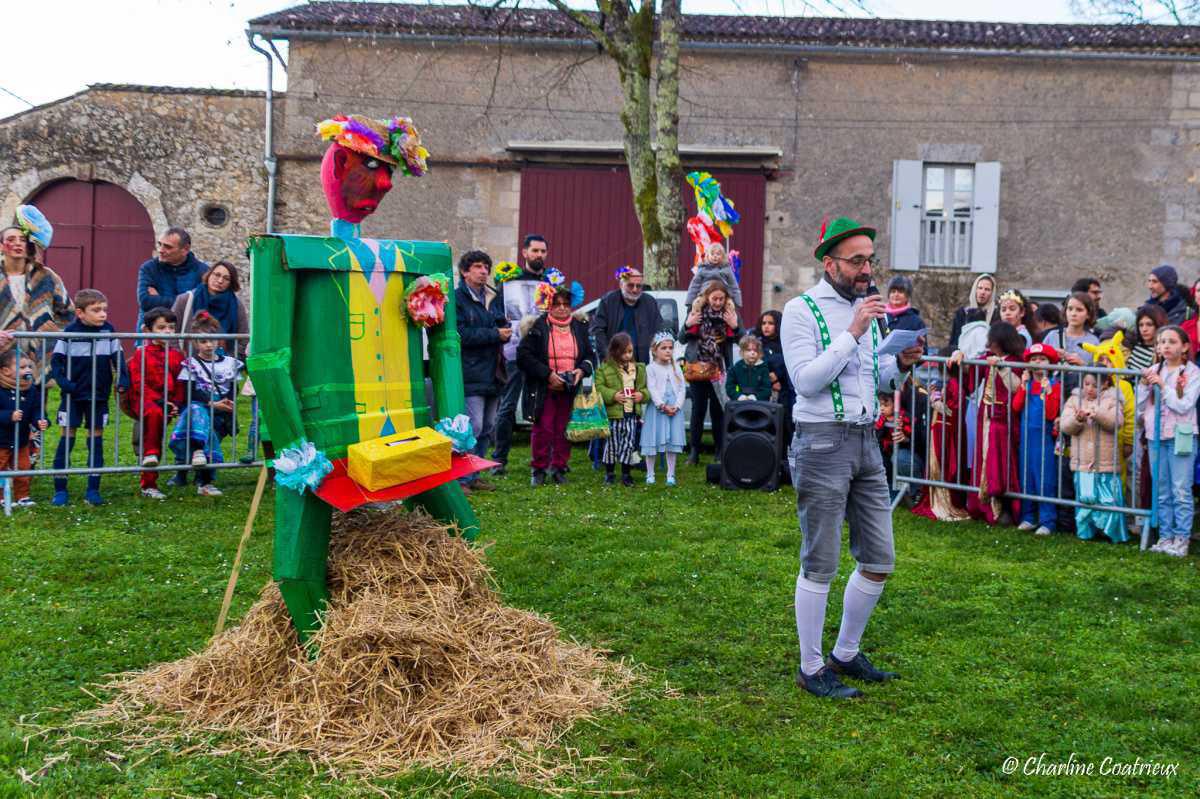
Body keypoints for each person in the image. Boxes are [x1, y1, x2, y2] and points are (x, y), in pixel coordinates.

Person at [780, 215, 924, 699]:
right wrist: (853, 330)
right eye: (857, 260)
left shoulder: (870, 309)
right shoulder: (801, 311)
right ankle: (811, 666)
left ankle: (845, 652)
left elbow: (874, 380)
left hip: (866, 440)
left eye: (870, 259)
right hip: (821, 441)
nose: (866, 269)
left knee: (880, 558)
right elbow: (806, 380)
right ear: (830, 262)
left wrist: (898, 366)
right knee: (820, 560)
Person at [49, 289, 130, 507]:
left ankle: (93, 490)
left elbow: (119, 358)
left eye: (104, 309)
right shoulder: (69, 333)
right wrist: (66, 385)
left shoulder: (109, 331)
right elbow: (56, 364)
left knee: (96, 439)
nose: (103, 314)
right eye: (96, 310)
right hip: (73, 396)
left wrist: (123, 379)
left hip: (99, 396)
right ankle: (60, 490)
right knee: (67, 438)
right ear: (80, 313)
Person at [517, 286, 594, 486]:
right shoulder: (537, 327)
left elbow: (589, 356)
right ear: (549, 305)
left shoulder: (579, 327)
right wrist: (548, 375)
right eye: (557, 304)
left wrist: (581, 371)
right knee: (544, 429)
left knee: (564, 429)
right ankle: (539, 469)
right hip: (545, 388)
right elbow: (523, 356)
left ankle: (559, 468)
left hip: (569, 388)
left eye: (566, 304)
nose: (561, 308)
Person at [952, 321, 1025, 526]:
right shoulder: (986, 359)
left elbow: (1016, 387)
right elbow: (970, 376)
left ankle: (1003, 507)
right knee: (983, 459)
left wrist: (1001, 367)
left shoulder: (1016, 361)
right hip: (986, 417)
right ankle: (984, 506)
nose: (989, 344)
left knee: (1000, 463)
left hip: (1004, 421)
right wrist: (961, 357)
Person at [491, 234, 552, 474]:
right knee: (507, 407)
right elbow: (497, 311)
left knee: (541, 407)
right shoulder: (508, 282)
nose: (539, 255)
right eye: (535, 251)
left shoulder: (551, 282)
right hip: (514, 352)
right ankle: (499, 460)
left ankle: (542, 460)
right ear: (525, 253)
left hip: (541, 354)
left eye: (543, 251)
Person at [1137, 325, 1199, 557]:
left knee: (1180, 489)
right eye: (1162, 342)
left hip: (1181, 436)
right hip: (1156, 436)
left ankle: (1181, 538)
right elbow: (1141, 408)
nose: (1165, 346)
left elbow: (1183, 405)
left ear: (1184, 347)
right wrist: (1143, 387)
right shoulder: (1153, 369)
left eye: (1172, 342)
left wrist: (1163, 386)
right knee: (1161, 488)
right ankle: (1165, 536)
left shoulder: (1193, 373)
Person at [454, 250, 510, 494]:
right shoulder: (457, 299)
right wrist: (495, 335)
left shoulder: (493, 297)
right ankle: (461, 479)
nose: (484, 271)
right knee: (472, 426)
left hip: (493, 372)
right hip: (471, 371)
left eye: (486, 266)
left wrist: (505, 330)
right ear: (465, 272)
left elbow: (497, 323)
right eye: (477, 266)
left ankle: (475, 474)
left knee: (488, 427)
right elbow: (461, 334)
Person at [170, 312, 243, 497]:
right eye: (203, 341)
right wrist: (212, 403)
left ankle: (202, 478)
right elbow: (190, 391)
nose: (208, 345)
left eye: (212, 340)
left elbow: (233, 389)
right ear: (195, 343)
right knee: (197, 414)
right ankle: (195, 477)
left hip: (221, 413)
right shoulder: (191, 364)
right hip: (199, 409)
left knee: (208, 432)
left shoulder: (229, 364)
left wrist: (226, 403)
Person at [0, 206, 73, 372]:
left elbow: (68, 313)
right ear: (1, 247)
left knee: (38, 397)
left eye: (22, 239)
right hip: (3, 359)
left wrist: (51, 335)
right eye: (11, 239)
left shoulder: (46, 276)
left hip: (39, 359)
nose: (17, 243)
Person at [126, 307, 186, 499]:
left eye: (171, 327)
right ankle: (148, 481)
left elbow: (180, 382)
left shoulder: (178, 356)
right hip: (145, 400)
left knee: (161, 427)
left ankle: (203, 476)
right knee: (153, 421)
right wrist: (159, 401)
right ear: (148, 331)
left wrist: (175, 402)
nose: (167, 331)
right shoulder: (140, 354)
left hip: (168, 402)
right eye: (161, 328)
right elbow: (138, 383)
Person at [1061, 372, 1127, 543]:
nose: (1089, 389)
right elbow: (1065, 426)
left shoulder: (1113, 400)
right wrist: (1077, 418)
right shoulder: (1074, 400)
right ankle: (1086, 532)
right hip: (1082, 462)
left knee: (1108, 498)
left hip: (1105, 463)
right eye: (1086, 384)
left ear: (1105, 384)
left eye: (1094, 385)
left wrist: (1097, 413)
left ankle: (1111, 533)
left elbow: (1116, 422)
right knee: (1085, 497)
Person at [682, 280, 739, 465]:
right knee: (698, 410)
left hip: (719, 369)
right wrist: (687, 323)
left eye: (721, 299)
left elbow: (743, 338)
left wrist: (735, 325)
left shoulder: (730, 313)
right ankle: (694, 451)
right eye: (714, 298)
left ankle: (719, 450)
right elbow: (681, 338)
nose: (717, 302)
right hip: (698, 367)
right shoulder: (696, 311)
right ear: (707, 297)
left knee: (718, 410)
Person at [1013, 343, 1062, 536]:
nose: (1038, 363)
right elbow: (1016, 407)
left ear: (1050, 363)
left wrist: (1048, 391)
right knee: (1027, 476)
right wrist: (1024, 387)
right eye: (1034, 359)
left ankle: (1047, 520)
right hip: (1027, 438)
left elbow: (1050, 414)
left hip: (1044, 439)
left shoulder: (1054, 386)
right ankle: (1029, 516)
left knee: (1045, 478)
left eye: (1042, 359)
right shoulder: (1027, 384)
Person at [912, 365, 969, 522]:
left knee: (942, 465)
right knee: (936, 466)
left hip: (946, 432)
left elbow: (953, 410)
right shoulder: (949, 383)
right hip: (939, 428)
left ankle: (945, 504)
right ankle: (935, 500)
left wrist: (935, 401)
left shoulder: (955, 384)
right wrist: (934, 396)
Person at [594, 332, 647, 486]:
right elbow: (599, 388)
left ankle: (626, 474)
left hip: (631, 414)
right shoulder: (604, 369)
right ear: (615, 351)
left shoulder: (638, 369)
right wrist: (613, 395)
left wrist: (641, 395)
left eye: (630, 352)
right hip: (614, 416)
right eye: (624, 352)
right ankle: (609, 474)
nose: (627, 355)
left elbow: (644, 389)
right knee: (611, 444)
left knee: (628, 444)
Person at [171, 260, 249, 358]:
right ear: (209, 275)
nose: (220, 281)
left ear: (231, 283)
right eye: (217, 275)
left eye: (226, 278)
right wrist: (179, 356)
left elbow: (243, 338)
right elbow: (171, 331)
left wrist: (229, 360)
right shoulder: (186, 300)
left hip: (223, 368)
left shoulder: (236, 305)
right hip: (189, 366)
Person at [136, 227, 208, 333]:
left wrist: (159, 298)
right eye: (159, 244)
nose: (160, 250)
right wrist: (186, 302)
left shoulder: (203, 271)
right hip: (151, 337)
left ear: (185, 249)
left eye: (168, 247)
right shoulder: (149, 268)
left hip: (187, 336)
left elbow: (201, 305)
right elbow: (145, 301)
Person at [0, 348, 47, 507]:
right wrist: (8, 416)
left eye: (29, 367)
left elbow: (36, 409)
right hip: (1, 439)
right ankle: (0, 498)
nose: (27, 370)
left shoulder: (31, 390)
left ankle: (23, 496)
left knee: (23, 467)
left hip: (21, 439)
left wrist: (40, 420)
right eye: (21, 368)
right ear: (6, 371)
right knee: (0, 468)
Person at [590, 266, 665, 365]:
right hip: (614, 361)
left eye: (638, 286)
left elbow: (659, 329)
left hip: (642, 362)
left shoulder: (649, 302)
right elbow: (598, 330)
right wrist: (606, 356)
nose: (635, 290)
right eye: (630, 285)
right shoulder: (608, 301)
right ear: (621, 285)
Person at [640, 331, 686, 486]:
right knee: (652, 439)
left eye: (670, 348)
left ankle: (670, 474)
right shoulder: (650, 368)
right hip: (658, 409)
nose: (668, 351)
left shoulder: (676, 368)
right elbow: (651, 388)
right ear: (654, 350)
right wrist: (662, 405)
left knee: (672, 441)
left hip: (674, 408)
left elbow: (681, 389)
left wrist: (677, 406)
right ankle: (650, 474)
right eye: (664, 348)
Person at [875, 390, 920, 505]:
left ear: (895, 404)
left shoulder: (902, 417)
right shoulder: (880, 419)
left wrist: (906, 436)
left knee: (899, 459)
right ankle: (893, 492)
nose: (882, 408)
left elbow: (913, 431)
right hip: (887, 453)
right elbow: (877, 435)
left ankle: (914, 493)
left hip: (904, 453)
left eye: (886, 405)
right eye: (880, 405)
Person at [685, 242, 743, 310]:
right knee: (696, 304)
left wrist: (737, 302)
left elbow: (733, 285)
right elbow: (694, 285)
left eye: (718, 254)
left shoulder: (726, 269)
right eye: (712, 254)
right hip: (705, 293)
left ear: (723, 256)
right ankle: (695, 318)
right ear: (707, 256)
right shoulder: (703, 268)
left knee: (730, 306)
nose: (715, 256)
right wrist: (689, 302)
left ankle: (731, 319)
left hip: (722, 295)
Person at [948, 273, 996, 351]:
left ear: (992, 293)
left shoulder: (996, 314)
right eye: (980, 288)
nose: (982, 292)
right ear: (975, 289)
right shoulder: (963, 312)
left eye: (987, 289)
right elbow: (954, 339)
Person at [725, 334, 772, 402]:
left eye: (755, 350)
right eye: (748, 350)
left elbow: (766, 389)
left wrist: (756, 397)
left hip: (759, 404)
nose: (752, 353)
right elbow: (730, 387)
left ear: (759, 353)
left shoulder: (763, 368)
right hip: (739, 403)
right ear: (742, 352)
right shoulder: (735, 369)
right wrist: (738, 395)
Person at [1129, 305, 1166, 374]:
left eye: (1149, 324)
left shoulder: (1161, 351)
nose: (1144, 329)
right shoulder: (1133, 343)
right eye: (1141, 325)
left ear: (1158, 325)